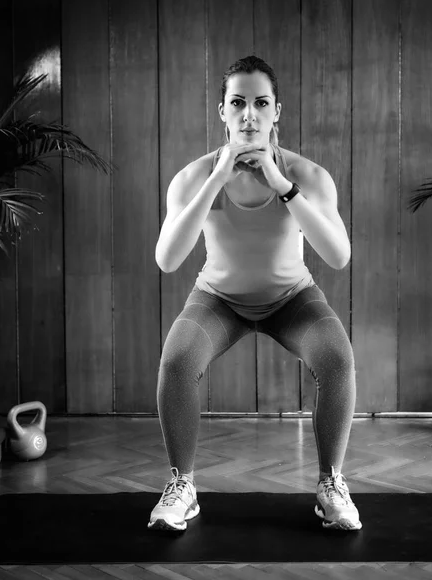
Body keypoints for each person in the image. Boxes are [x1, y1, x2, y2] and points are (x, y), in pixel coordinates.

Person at [148, 55, 360, 532]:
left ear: (276, 111)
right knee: (177, 362)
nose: (249, 114)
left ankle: (331, 483)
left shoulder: (307, 176)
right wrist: (218, 178)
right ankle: (183, 485)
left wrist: (281, 185)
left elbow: (338, 255)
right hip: (219, 299)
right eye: (238, 103)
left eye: (260, 103)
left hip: (291, 299)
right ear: (222, 111)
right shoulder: (192, 178)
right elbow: (167, 259)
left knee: (337, 360)